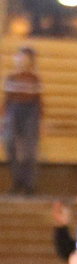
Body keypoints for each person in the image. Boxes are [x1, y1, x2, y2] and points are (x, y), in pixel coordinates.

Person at [2, 47, 42, 195]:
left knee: (29, 151)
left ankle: (29, 184)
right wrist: (3, 120)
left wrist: (41, 122)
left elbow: (39, 102)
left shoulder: (35, 79)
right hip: (13, 111)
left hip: (31, 112)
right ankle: (17, 181)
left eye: (25, 58)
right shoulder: (11, 77)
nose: (22, 61)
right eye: (20, 57)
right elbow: (6, 100)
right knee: (10, 144)